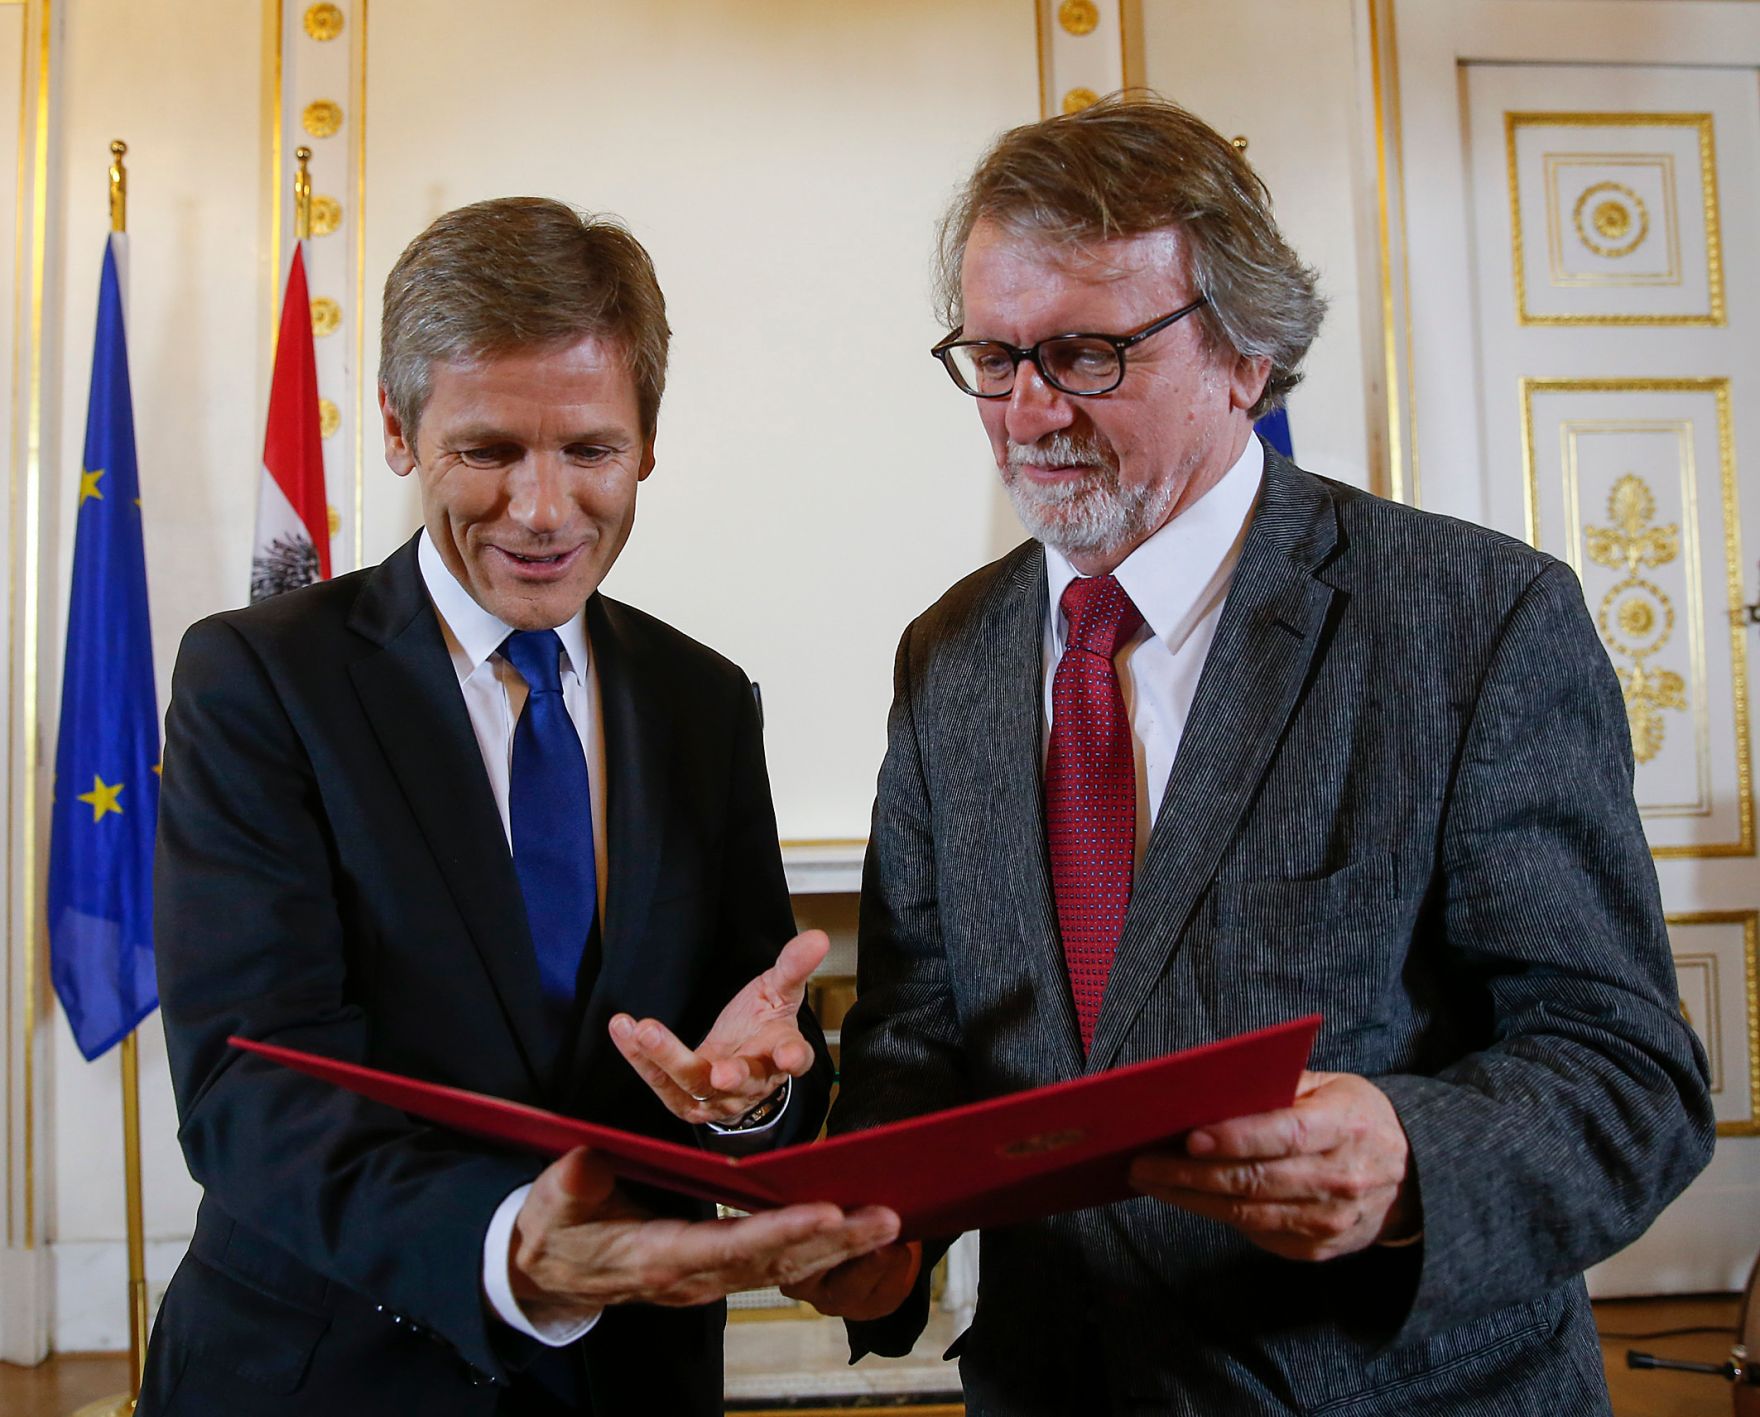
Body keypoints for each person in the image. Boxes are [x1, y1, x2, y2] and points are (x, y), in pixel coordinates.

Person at [785, 96, 1714, 1414]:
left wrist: (1411, 1164)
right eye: (992, 356)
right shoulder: (951, 653)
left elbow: (1628, 1071)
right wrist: (881, 1223)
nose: (1028, 411)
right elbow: (924, 1033)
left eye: (1088, 353)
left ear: (1247, 354)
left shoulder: (1475, 621)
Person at [141, 198, 898, 1416]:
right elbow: (249, 1088)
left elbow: (755, 1049)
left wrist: (755, 1100)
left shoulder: (703, 701)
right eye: (490, 450)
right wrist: (509, 1253)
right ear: (397, 428)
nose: (544, 510)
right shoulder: (259, 679)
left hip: (633, 1381)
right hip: (333, 1375)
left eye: (590, 450)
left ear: (647, 441)